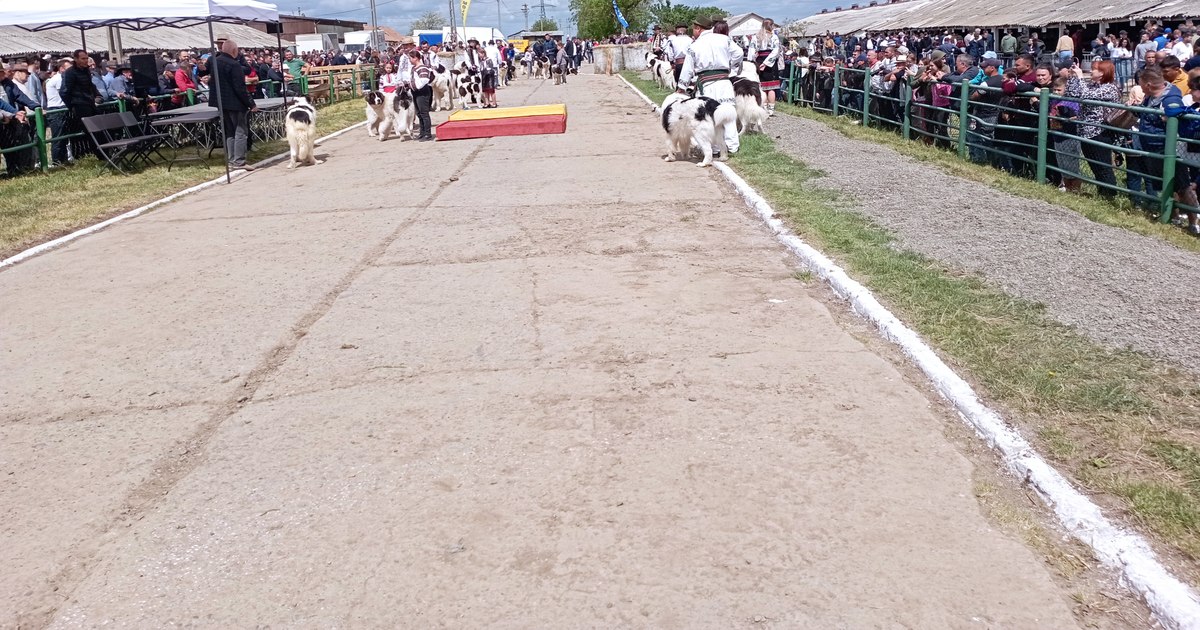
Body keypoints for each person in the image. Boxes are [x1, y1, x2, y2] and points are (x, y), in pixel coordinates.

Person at [678, 14, 743, 155]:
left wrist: (681, 88)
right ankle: (732, 146)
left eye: (693, 29)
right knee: (728, 113)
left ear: (697, 28)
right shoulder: (725, 39)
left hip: (706, 83)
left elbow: (687, 69)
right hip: (724, 81)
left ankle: (714, 148)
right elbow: (739, 53)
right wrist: (729, 65)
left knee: (709, 116)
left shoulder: (694, 45)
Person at [210, 39, 258, 171]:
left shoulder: (215, 62)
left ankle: (231, 160)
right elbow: (240, 87)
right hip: (236, 104)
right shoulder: (234, 64)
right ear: (234, 51)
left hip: (221, 103)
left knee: (230, 132)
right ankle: (239, 161)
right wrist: (251, 104)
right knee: (241, 132)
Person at [1078, 60, 1122, 198]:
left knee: (1103, 166)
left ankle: (1109, 196)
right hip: (1086, 131)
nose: (1091, 72)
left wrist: (1080, 77)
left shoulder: (1110, 88)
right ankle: (1102, 193)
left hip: (1100, 132)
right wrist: (1074, 77)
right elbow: (1076, 93)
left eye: (1094, 69)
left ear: (1102, 73)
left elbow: (1085, 96)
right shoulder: (1094, 86)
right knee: (1095, 165)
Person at [59, 49, 101, 160]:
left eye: (86, 58)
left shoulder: (86, 71)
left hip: (90, 103)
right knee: (91, 132)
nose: (85, 60)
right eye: (83, 58)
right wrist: (72, 106)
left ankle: (104, 153)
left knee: (99, 130)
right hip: (80, 105)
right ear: (76, 59)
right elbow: (64, 92)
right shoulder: (70, 72)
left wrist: (97, 96)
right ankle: (101, 156)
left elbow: (90, 86)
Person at [750, 18, 782, 116]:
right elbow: (776, 51)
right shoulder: (774, 37)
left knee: (762, 86)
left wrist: (753, 63)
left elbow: (751, 51)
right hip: (770, 62)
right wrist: (767, 63)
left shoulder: (756, 36)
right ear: (771, 25)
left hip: (759, 60)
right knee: (771, 87)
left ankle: (763, 107)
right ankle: (770, 109)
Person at [44, 58, 72, 166]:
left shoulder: (62, 78)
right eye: (68, 68)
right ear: (61, 69)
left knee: (64, 137)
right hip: (56, 110)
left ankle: (63, 160)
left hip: (61, 109)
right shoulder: (59, 79)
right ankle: (56, 161)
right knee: (58, 137)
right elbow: (65, 93)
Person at [407, 49, 434, 141]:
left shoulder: (422, 68)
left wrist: (414, 86)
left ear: (416, 58)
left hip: (422, 91)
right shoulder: (414, 68)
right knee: (419, 113)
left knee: (424, 113)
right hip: (416, 92)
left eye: (410, 58)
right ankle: (422, 132)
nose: (410, 60)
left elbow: (424, 80)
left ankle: (427, 133)